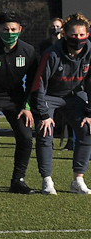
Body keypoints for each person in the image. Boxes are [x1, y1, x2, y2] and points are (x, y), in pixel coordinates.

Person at [0, 10, 39, 194]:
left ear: (20, 29)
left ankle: (18, 181)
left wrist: (26, 107)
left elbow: (33, 83)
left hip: (16, 99)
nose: (9, 33)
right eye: (5, 29)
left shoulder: (28, 51)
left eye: (13, 29)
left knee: (26, 136)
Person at [32, 14, 91, 196]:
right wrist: (43, 115)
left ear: (87, 34)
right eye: (74, 35)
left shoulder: (90, 51)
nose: (78, 39)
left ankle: (78, 180)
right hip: (51, 95)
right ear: (64, 34)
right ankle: (47, 180)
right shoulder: (52, 53)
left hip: (74, 96)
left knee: (87, 129)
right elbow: (38, 85)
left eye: (82, 35)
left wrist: (90, 112)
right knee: (45, 131)